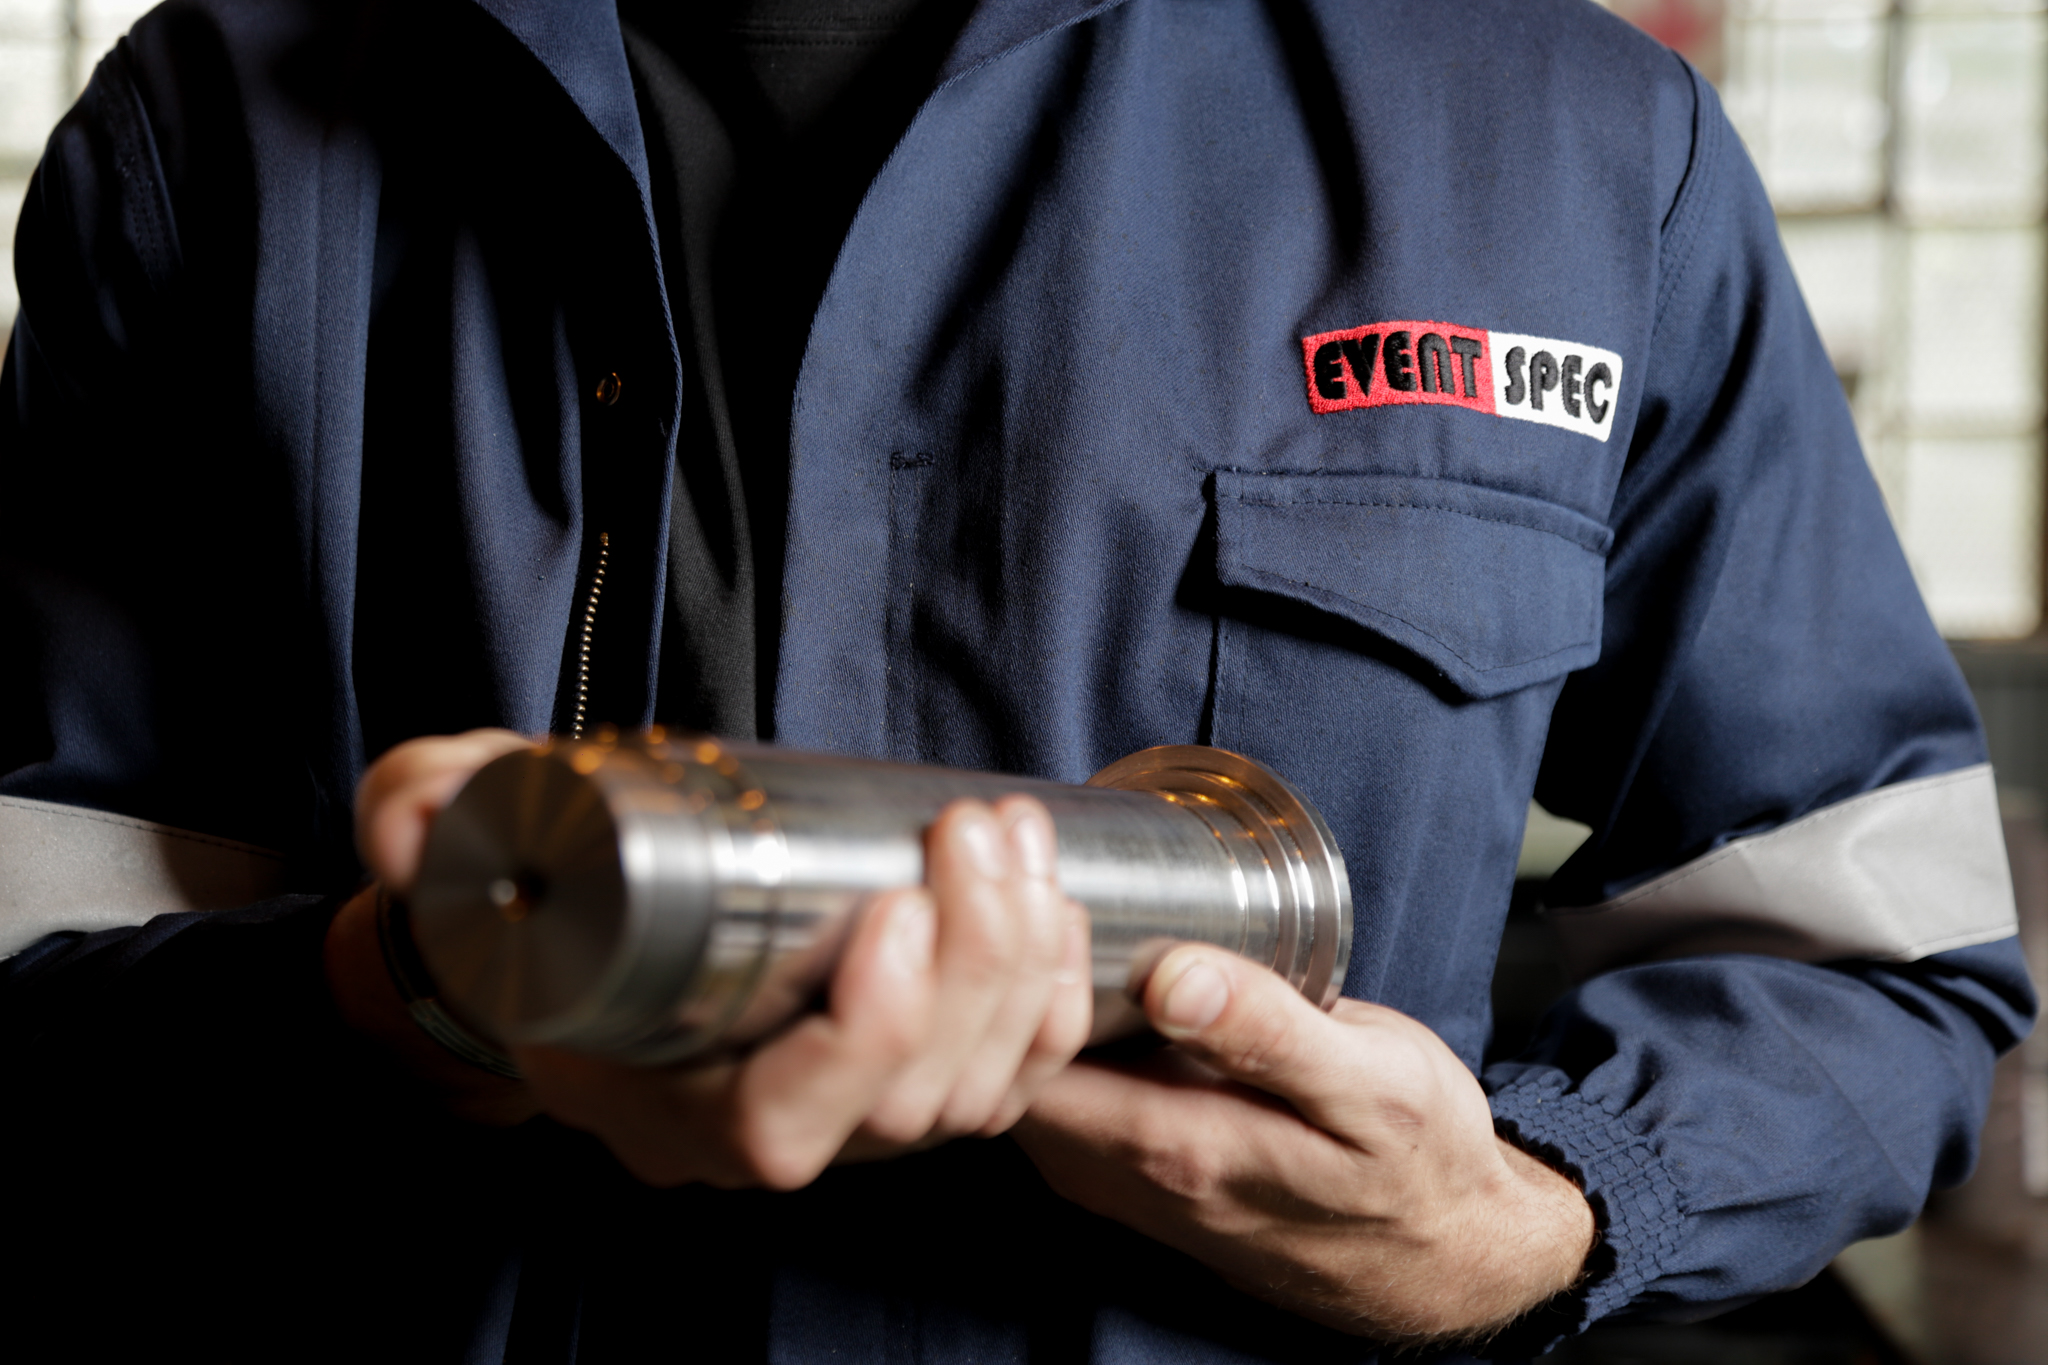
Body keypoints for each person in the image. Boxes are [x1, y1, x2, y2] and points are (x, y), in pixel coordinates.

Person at [0, 0, 2032, 1360]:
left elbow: (1875, 951)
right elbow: (37, 990)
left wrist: (1527, 1215)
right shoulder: (220, 126)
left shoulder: (1558, 132)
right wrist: (407, 996)